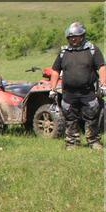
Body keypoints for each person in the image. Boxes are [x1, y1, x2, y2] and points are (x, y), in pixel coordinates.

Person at [49, 21, 106, 150]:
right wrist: (52, 88)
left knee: (92, 116)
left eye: (76, 36)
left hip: (88, 92)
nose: (73, 39)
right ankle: (72, 143)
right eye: (70, 37)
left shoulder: (92, 49)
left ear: (82, 36)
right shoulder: (64, 52)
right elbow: (55, 70)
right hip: (69, 93)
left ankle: (94, 141)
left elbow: (102, 67)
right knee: (70, 118)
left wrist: (103, 85)